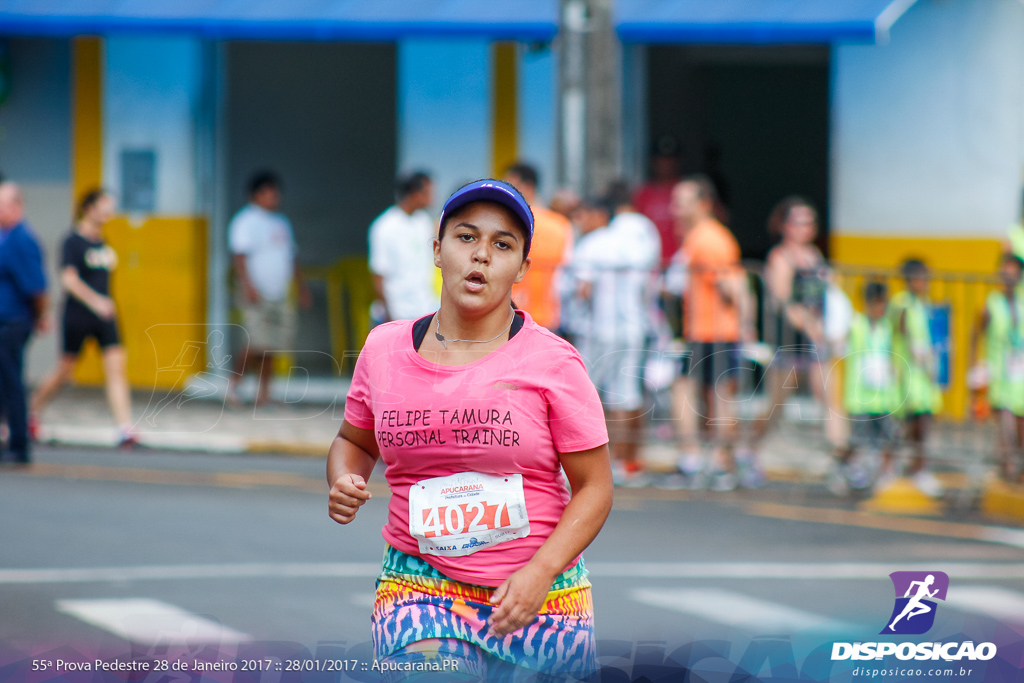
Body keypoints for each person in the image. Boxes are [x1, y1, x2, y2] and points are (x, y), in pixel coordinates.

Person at [328, 179, 612, 680]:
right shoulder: (383, 349)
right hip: (419, 586)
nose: (481, 256)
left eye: (502, 245)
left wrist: (539, 573)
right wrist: (344, 479)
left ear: (522, 268)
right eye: (466, 237)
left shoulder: (555, 362)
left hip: (539, 596)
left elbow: (595, 488)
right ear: (437, 251)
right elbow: (354, 442)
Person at [30, 189, 137, 448]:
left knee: (116, 369)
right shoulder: (72, 241)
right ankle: (31, 411)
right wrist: (96, 301)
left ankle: (125, 428)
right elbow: (68, 280)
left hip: (106, 316)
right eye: (104, 206)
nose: (110, 211)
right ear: (89, 208)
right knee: (65, 371)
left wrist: (105, 305)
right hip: (79, 314)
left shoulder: (103, 241)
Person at [568, 190, 659, 486]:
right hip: (633, 327)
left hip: (600, 330)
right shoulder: (631, 243)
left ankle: (591, 464)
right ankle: (627, 462)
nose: (580, 221)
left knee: (584, 394)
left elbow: (583, 290)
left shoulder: (591, 245)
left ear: (599, 215)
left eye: (584, 214)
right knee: (627, 394)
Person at [746, 197, 836, 487]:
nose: (806, 227)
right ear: (785, 225)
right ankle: (749, 450)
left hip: (815, 340)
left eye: (810, 221)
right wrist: (808, 326)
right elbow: (784, 300)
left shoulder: (815, 257)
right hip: (788, 341)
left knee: (830, 397)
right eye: (799, 221)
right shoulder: (780, 258)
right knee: (776, 405)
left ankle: (842, 455)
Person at [669, 175, 751, 491]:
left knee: (713, 395)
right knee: (705, 394)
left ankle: (714, 461)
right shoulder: (699, 237)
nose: (675, 208)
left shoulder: (709, 239)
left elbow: (734, 285)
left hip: (714, 331)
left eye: (683, 202)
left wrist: (745, 326)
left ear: (702, 204)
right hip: (702, 331)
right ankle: (709, 460)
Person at [227, 171, 311, 407]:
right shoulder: (245, 221)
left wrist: (300, 287)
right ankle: (235, 384)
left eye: (276, 191)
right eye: (269, 191)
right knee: (256, 342)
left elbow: (291, 257)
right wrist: (248, 286)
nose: (275, 196)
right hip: (256, 292)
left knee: (273, 346)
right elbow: (240, 257)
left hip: (280, 292)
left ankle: (264, 394)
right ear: (256, 194)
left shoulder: (281, 223)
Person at [829, 281, 900, 495]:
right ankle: (840, 466)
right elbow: (839, 343)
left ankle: (886, 475)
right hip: (859, 395)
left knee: (890, 436)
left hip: (883, 395)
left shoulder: (886, 328)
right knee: (857, 439)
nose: (880, 309)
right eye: (877, 304)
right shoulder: (856, 325)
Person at [0, 182, 48, 465]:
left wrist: (40, 317)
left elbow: (37, 289)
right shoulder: (6, 236)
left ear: (16, 207)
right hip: (5, 320)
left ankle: (19, 444)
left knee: (12, 383)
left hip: (14, 322)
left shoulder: (22, 240)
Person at [889, 259, 943, 496]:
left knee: (923, 419)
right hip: (907, 370)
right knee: (909, 421)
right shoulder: (901, 302)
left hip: (922, 372)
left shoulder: (923, 304)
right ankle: (896, 462)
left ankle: (917, 466)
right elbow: (900, 330)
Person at [969, 254, 1024, 482]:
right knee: (1003, 423)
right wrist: (974, 369)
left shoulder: (1021, 302)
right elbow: (975, 335)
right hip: (1000, 374)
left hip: (1019, 373)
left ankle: (1019, 469)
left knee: (1021, 424)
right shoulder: (991, 303)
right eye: (1005, 273)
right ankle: (1006, 470)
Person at [505, 162, 573, 331]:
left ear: (528, 187)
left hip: (510, 315)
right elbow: (567, 277)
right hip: (550, 316)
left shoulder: (509, 222)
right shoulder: (561, 224)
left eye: (511, 185)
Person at [368, 171, 439, 323]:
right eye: (427, 192)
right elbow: (378, 276)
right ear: (414, 193)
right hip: (395, 314)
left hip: (423, 312)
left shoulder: (424, 221)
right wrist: (389, 317)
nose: (432, 198)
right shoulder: (384, 226)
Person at [633, 136, 683, 267]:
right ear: (653, 161)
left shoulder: (685, 190)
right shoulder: (643, 193)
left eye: (670, 159)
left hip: (679, 264)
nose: (665, 163)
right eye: (661, 159)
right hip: (650, 264)